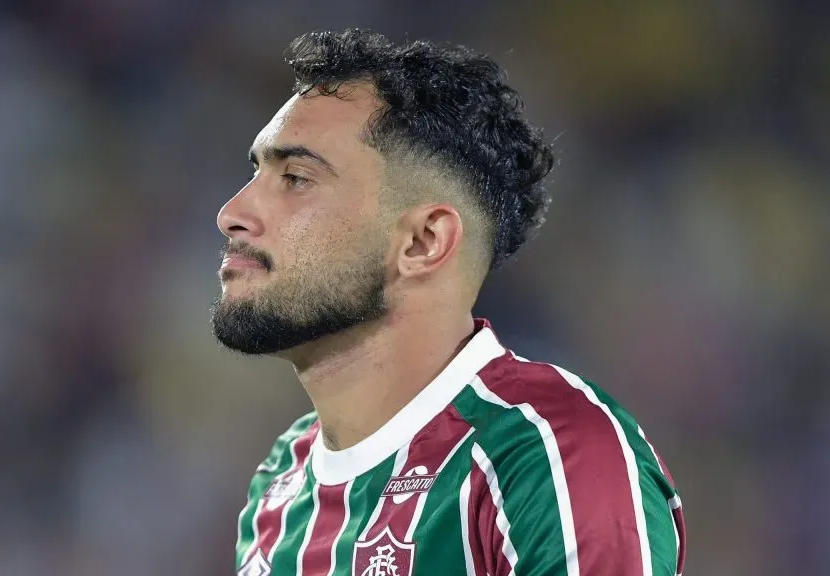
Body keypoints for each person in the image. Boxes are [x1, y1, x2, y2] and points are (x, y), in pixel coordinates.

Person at [211, 28, 686, 576]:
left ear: (423, 242)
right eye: (256, 172)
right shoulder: (281, 484)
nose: (231, 214)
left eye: (295, 178)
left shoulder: (546, 451)